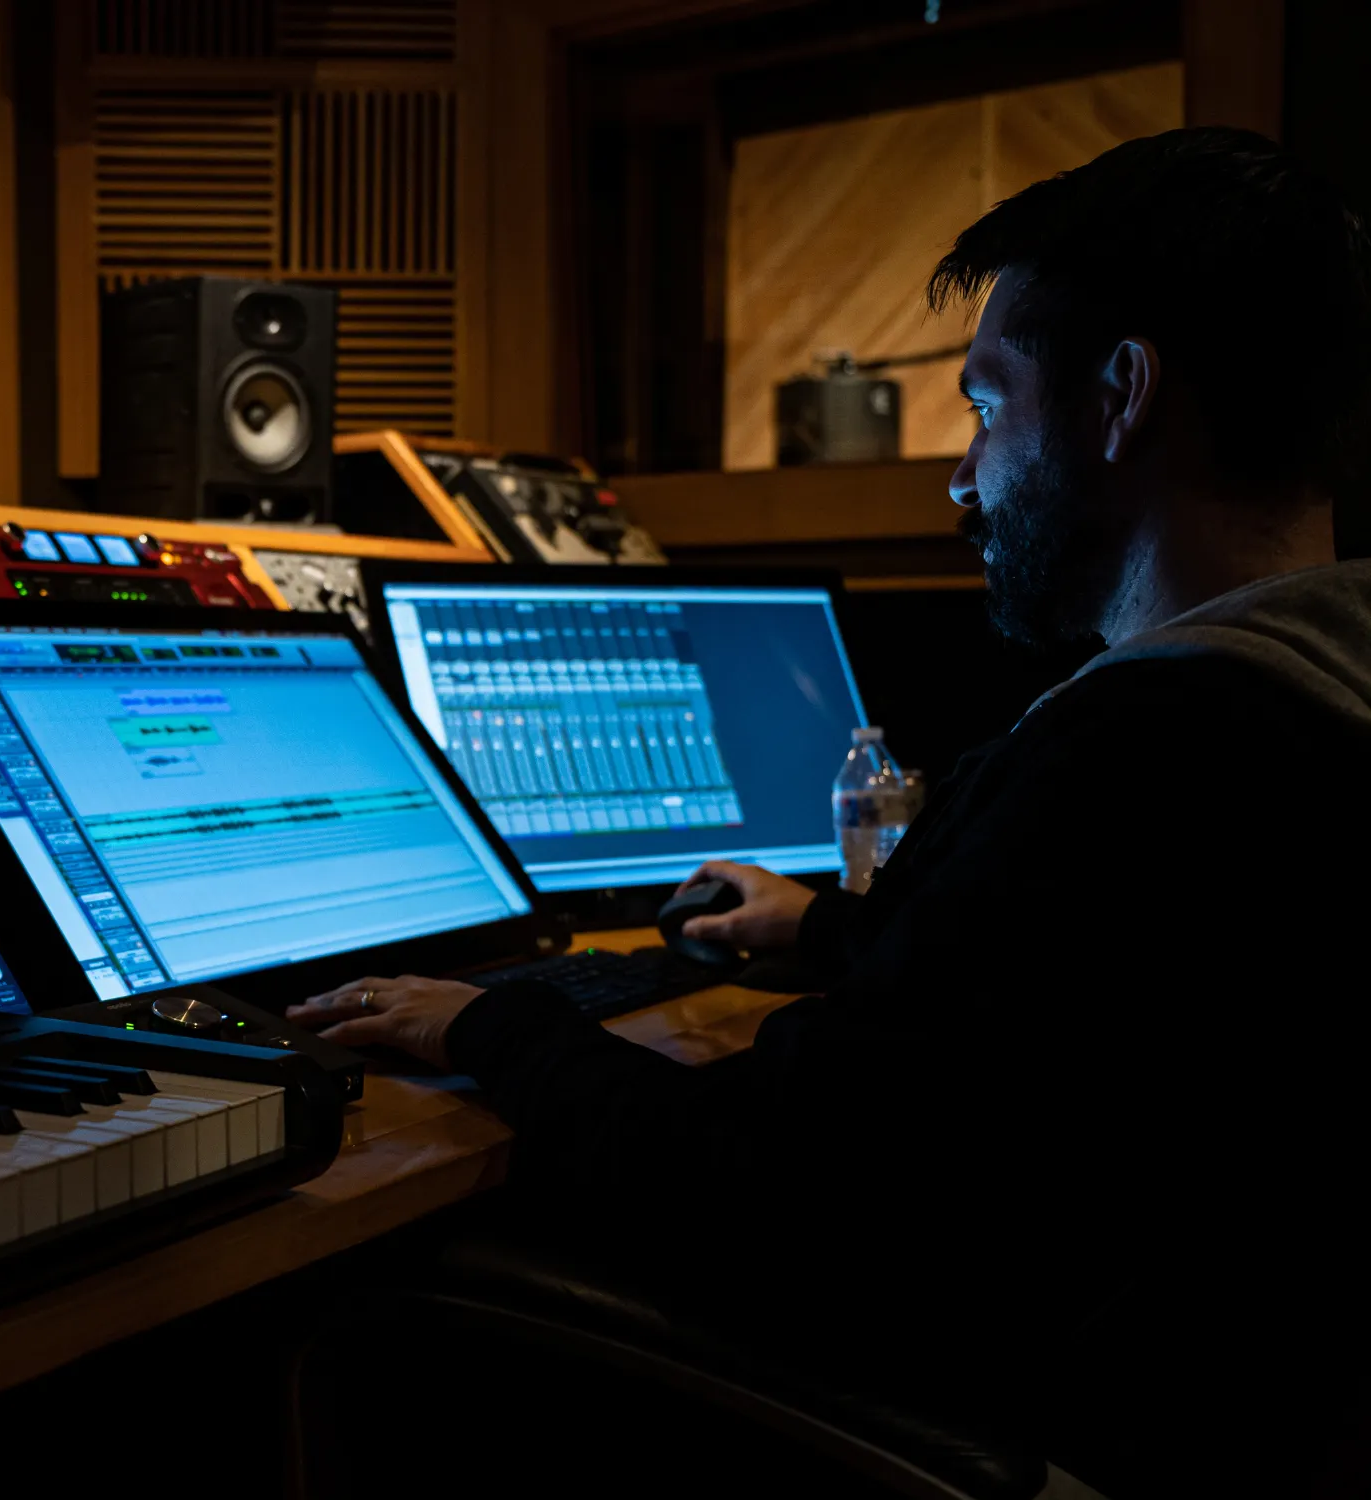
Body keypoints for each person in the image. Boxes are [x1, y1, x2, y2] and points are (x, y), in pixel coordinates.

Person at [288, 129, 1371, 1496]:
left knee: (369, 1313)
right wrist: (827, 934)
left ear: (1121, 397)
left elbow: (769, 1205)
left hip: (1022, 1419)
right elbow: (1050, 1018)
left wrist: (493, 1022)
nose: (961, 480)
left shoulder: (1146, 753)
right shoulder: (1314, 704)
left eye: (987, 408)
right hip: (1221, 1405)